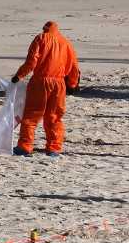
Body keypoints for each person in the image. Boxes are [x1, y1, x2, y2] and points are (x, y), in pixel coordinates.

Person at [11, 21, 80, 157]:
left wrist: (19, 76)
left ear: (45, 29)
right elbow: (74, 66)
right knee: (54, 117)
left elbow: (31, 62)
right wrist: (72, 85)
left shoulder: (40, 38)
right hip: (59, 84)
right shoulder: (66, 43)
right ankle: (54, 148)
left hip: (40, 81)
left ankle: (25, 146)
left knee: (31, 115)